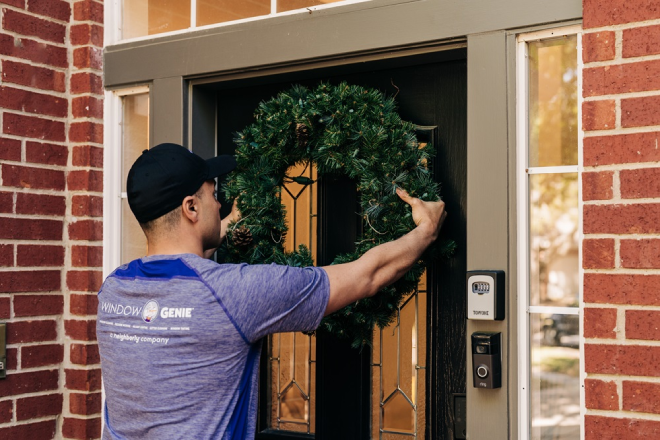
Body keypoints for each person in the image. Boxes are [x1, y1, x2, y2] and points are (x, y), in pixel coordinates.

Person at [97, 143, 447, 440]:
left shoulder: (113, 291)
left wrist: (222, 228)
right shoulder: (234, 292)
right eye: (213, 196)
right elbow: (367, 276)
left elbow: (179, 267)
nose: (219, 206)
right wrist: (425, 232)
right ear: (191, 208)